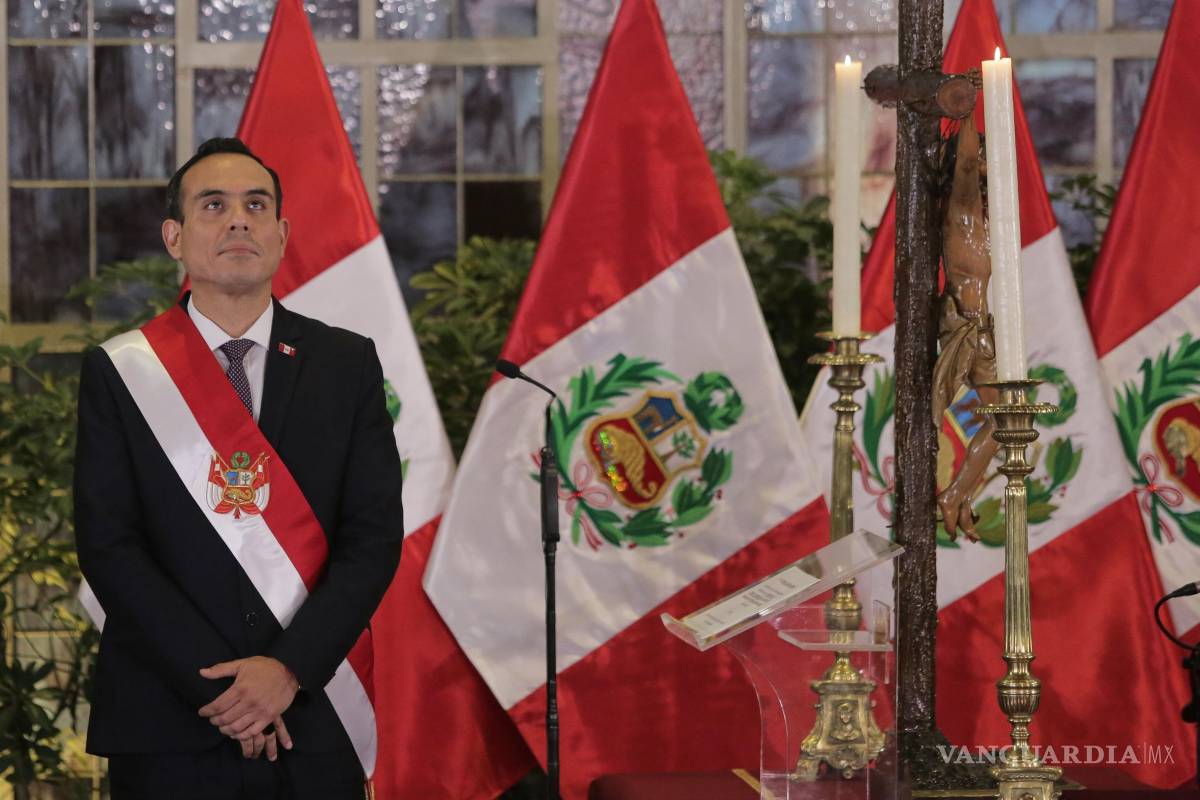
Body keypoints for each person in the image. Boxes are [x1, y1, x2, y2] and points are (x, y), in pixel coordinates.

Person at [73, 138, 404, 799]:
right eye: (213, 205)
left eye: (256, 206)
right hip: (170, 718)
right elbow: (110, 546)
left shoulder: (346, 365)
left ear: (281, 235)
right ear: (175, 236)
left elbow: (372, 539)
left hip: (311, 709)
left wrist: (285, 673)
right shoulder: (120, 372)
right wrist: (224, 690)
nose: (237, 221)